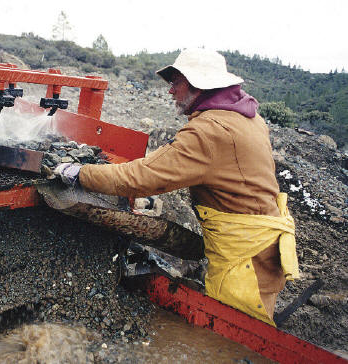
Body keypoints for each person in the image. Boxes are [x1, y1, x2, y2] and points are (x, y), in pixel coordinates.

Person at [54, 48, 299, 326]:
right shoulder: (246, 117)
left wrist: (81, 173)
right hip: (262, 243)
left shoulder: (209, 131)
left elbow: (142, 177)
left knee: (233, 335)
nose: (170, 91)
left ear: (198, 84)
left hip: (243, 258)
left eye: (175, 82)